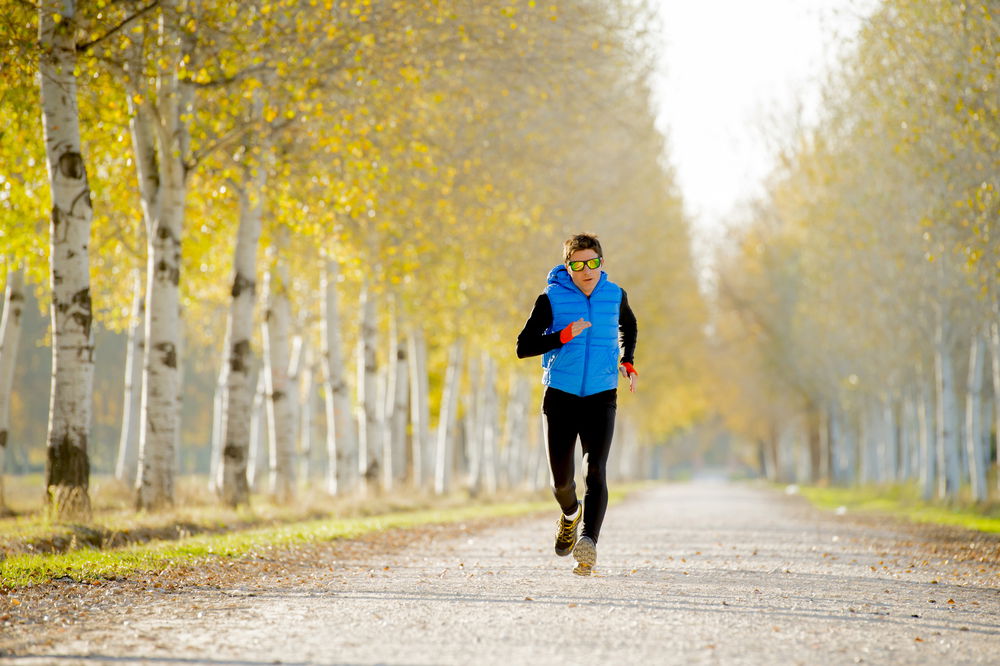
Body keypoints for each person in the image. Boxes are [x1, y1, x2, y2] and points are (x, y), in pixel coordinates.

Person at [516, 233, 638, 575]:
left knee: (595, 469)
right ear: (567, 267)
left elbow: (629, 325)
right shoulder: (550, 298)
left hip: (602, 395)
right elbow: (523, 347)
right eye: (579, 265)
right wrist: (562, 336)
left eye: (593, 263)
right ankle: (571, 514)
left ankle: (588, 541)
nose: (587, 270)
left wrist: (627, 359)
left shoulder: (615, 295)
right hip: (560, 395)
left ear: (602, 263)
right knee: (561, 483)